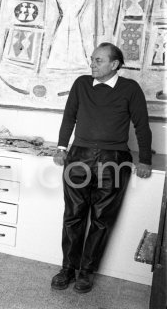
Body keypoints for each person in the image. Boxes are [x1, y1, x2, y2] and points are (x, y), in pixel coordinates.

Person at [50, 42, 153, 293]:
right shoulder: (81, 84)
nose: (92, 64)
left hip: (114, 159)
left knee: (102, 219)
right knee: (73, 215)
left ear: (114, 64)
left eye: (98, 60)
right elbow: (69, 116)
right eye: (92, 59)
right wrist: (62, 147)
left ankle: (86, 272)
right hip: (79, 157)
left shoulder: (130, 88)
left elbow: (141, 126)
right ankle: (68, 269)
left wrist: (146, 160)